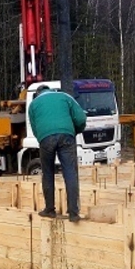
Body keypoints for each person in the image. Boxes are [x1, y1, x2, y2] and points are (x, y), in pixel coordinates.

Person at [28, 85, 87, 222]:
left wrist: (43, 138)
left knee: (47, 173)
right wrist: (74, 131)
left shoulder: (33, 104)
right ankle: (73, 213)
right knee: (70, 172)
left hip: (45, 138)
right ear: (51, 90)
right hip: (66, 136)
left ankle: (49, 209)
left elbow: (34, 127)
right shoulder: (65, 97)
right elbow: (81, 119)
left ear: (38, 93)